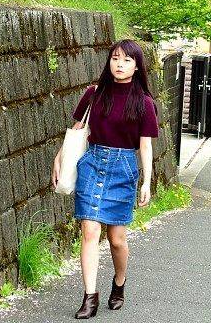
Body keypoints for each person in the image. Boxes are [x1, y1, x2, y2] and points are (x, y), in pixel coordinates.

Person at [52, 39, 159, 318]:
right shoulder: (94, 93)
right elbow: (77, 130)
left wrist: (146, 181)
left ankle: (119, 282)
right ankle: (90, 297)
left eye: (126, 60)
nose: (119, 64)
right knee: (89, 231)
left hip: (123, 169)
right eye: (115, 58)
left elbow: (145, 146)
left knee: (117, 240)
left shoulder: (145, 103)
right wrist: (59, 158)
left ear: (137, 67)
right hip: (92, 163)